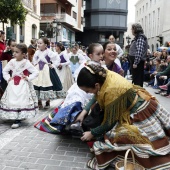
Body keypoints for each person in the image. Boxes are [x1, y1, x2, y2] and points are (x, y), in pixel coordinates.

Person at [77, 64, 170, 170]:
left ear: (97, 85)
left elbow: (109, 122)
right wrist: (84, 111)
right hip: (135, 105)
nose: (88, 93)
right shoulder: (103, 76)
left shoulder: (112, 91)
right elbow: (96, 96)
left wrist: (92, 133)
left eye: (88, 91)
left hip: (140, 113)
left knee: (120, 142)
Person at [0, 43, 39, 129]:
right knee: (12, 99)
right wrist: (8, 78)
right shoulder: (12, 62)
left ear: (24, 54)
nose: (14, 54)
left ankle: (18, 119)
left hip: (23, 85)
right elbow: (5, 71)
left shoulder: (26, 63)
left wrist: (28, 78)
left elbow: (36, 72)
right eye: (14, 52)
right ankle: (13, 115)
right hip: (12, 84)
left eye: (17, 52)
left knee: (21, 100)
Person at [32, 37, 62, 109]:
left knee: (47, 84)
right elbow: (34, 59)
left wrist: (53, 65)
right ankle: (39, 101)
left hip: (47, 70)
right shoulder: (37, 52)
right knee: (37, 84)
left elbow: (57, 58)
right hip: (38, 70)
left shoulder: (49, 52)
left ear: (45, 45)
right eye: (38, 43)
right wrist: (35, 64)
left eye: (40, 43)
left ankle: (47, 100)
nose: (38, 44)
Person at [128, 23, 148, 87]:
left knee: (137, 80)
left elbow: (139, 50)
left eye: (132, 29)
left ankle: (138, 94)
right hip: (136, 62)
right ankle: (137, 93)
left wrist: (136, 62)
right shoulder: (137, 37)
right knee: (136, 79)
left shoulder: (140, 37)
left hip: (137, 63)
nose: (131, 30)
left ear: (135, 29)